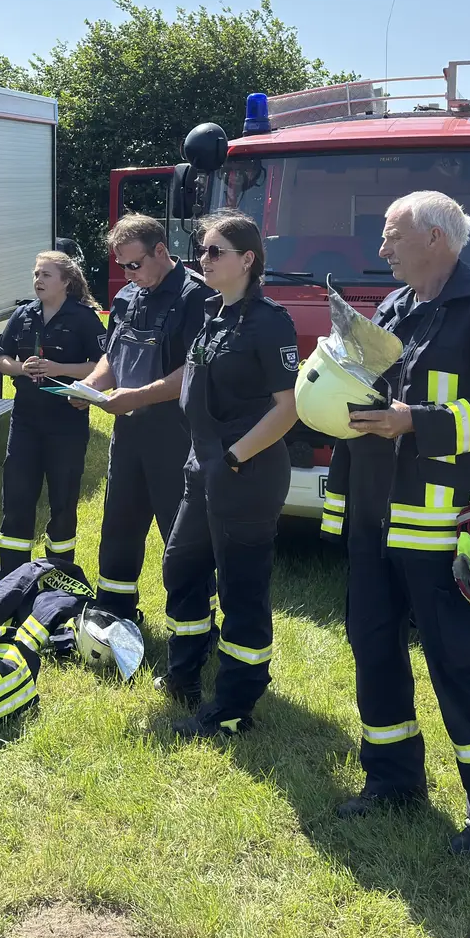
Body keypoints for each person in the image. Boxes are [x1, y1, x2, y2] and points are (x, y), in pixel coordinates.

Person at [335, 190, 470, 855]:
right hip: (379, 521)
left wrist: (413, 424)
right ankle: (392, 781)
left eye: (393, 236)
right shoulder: (393, 308)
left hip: (446, 527)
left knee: (460, 665)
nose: (383, 249)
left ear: (438, 240)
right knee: (374, 652)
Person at [160, 211, 299, 738]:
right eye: (203, 250)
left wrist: (235, 457)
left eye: (216, 251)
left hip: (246, 472)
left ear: (248, 259)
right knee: (181, 567)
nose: (204, 259)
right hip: (205, 469)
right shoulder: (213, 315)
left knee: (242, 590)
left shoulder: (270, 321)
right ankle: (185, 676)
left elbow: (287, 408)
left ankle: (234, 706)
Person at [71, 213, 209, 619]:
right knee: (119, 526)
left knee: (180, 533)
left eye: (135, 264)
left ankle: (194, 622)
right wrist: (91, 387)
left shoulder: (195, 297)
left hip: (176, 437)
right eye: (122, 266)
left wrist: (137, 398)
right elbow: (112, 356)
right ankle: (115, 611)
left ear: (161, 251)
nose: (129, 274)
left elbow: (193, 371)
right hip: (128, 434)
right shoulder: (126, 298)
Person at [0, 251, 107, 577]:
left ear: (66, 283)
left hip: (66, 422)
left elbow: (104, 363)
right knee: (17, 499)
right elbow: (1, 358)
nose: (38, 280)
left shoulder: (83, 318)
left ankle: (59, 575)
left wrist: (59, 368)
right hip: (25, 421)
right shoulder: (24, 314)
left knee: (63, 502)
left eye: (45, 275)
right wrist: (21, 368)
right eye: (36, 274)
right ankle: (11, 577)